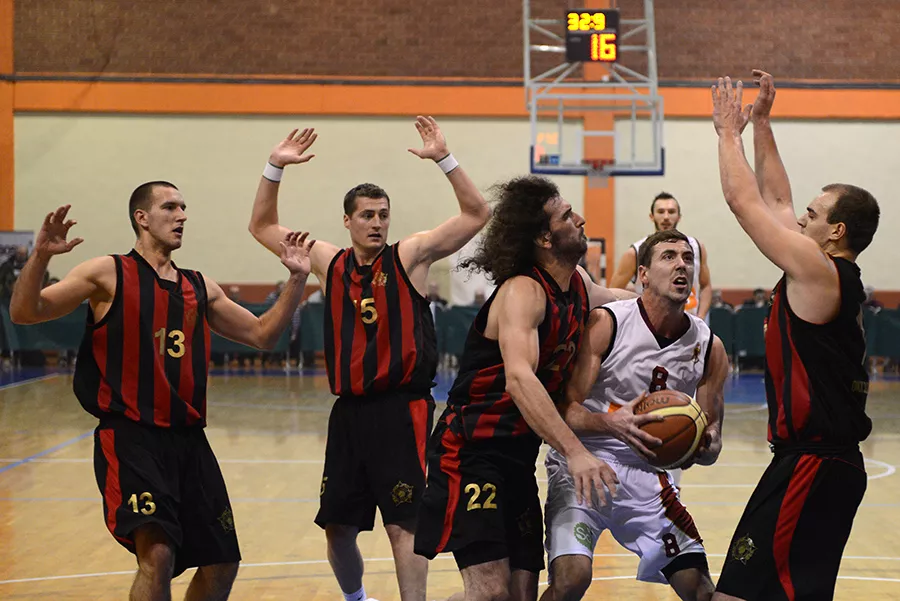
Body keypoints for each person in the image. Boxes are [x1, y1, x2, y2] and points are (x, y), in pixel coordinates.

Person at [9, 183, 315, 601]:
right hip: (132, 436)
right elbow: (25, 312)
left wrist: (297, 278)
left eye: (184, 207)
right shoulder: (108, 273)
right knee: (158, 554)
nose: (182, 215)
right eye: (170, 207)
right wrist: (41, 256)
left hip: (188, 440)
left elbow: (263, 334)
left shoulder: (199, 286)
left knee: (222, 562)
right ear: (142, 218)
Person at [248, 117, 491, 601]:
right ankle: (356, 598)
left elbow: (477, 213)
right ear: (347, 221)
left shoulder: (410, 256)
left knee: (404, 524)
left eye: (383, 214)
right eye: (366, 215)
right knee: (337, 528)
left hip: (402, 410)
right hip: (348, 414)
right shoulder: (326, 260)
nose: (377, 222)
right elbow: (261, 227)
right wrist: (275, 166)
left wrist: (444, 158)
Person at [414, 175, 627, 601]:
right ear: (545, 238)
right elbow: (519, 379)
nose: (580, 220)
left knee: (521, 595)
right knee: (491, 593)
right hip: (472, 452)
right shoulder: (523, 292)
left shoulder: (579, 284)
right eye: (567, 216)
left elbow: (625, 302)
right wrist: (575, 452)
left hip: (517, 457)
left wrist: (665, 302)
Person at [711, 71, 880, 601]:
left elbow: (746, 203)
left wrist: (728, 134)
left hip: (812, 463)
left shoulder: (817, 271)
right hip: (825, 464)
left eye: (814, 214)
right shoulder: (824, 271)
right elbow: (778, 200)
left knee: (734, 595)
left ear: (837, 232)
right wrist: (762, 124)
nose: (800, 220)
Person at [542, 229, 729, 601]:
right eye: (669, 257)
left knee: (700, 589)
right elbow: (563, 409)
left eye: (687, 258)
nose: (681, 265)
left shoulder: (709, 347)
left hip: (650, 479)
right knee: (571, 580)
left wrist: (701, 445)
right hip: (587, 465)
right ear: (643, 274)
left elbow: (713, 440)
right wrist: (608, 423)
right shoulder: (607, 323)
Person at [609, 192, 712, 320]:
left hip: (689, 321)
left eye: (671, 212)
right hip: (651, 324)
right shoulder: (635, 252)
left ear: (679, 217)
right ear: (652, 216)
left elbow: (706, 286)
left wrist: (701, 317)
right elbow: (613, 292)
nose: (666, 217)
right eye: (661, 212)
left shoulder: (697, 247)